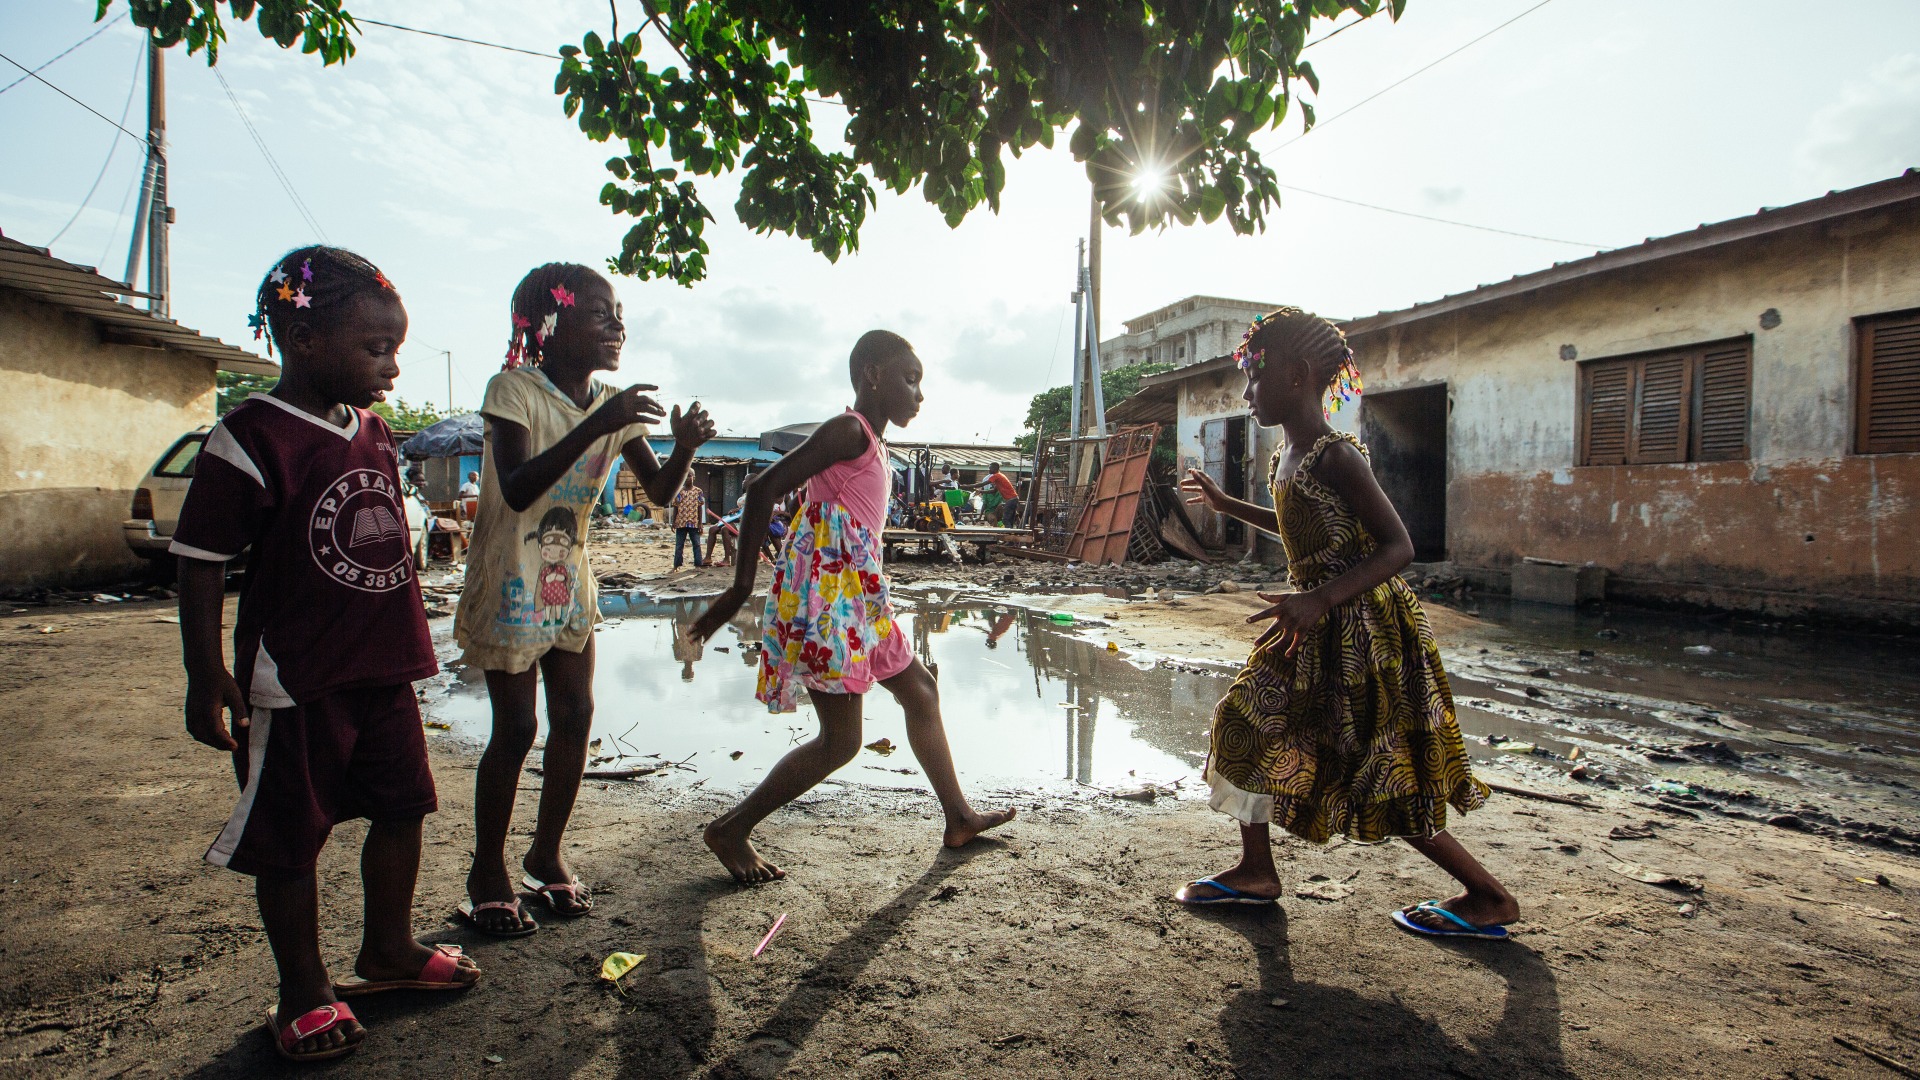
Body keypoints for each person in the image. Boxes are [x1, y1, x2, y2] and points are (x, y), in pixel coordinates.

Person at [173, 247, 480, 1063]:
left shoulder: (375, 432)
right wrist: (207, 673)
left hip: (384, 667)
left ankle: (388, 950)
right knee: (290, 833)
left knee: (405, 806)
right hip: (294, 678)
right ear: (302, 338)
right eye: (376, 348)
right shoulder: (249, 439)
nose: (391, 364)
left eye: (397, 348)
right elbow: (200, 561)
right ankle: (303, 990)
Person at [1174, 308, 1518, 940]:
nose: (1247, 393)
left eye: (1256, 377)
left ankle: (1489, 896)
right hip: (1311, 623)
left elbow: (1398, 548)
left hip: (1360, 630)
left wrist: (1321, 599)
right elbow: (1305, 523)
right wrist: (1229, 507)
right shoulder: (1291, 454)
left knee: (1378, 768)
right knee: (1244, 723)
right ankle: (1256, 872)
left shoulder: (1336, 456)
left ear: (1299, 375)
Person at [688, 330, 1015, 883]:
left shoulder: (874, 442)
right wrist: (741, 587)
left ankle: (958, 817)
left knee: (921, 691)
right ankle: (731, 829)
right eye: (910, 379)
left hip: (860, 599)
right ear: (872, 375)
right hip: (831, 602)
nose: (918, 393)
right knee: (841, 741)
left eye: (921, 383)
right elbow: (764, 486)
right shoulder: (848, 431)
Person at [453, 262, 715, 936]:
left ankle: (545, 853)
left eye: (618, 312)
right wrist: (603, 424)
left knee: (575, 713)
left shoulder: (610, 407)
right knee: (514, 728)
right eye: (600, 313)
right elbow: (516, 486)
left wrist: (682, 447)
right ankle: (488, 868)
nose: (617, 325)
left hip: (569, 582)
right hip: (511, 577)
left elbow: (658, 495)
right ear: (549, 325)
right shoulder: (513, 390)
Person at [671, 478, 708, 569]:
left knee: (696, 544)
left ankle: (698, 565)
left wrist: (700, 523)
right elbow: (675, 507)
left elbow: (700, 507)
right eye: (686, 476)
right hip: (681, 522)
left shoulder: (698, 491)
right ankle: (677, 565)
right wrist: (673, 522)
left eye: (690, 475)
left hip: (693, 522)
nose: (688, 478)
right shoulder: (679, 491)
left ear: (694, 477)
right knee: (679, 545)